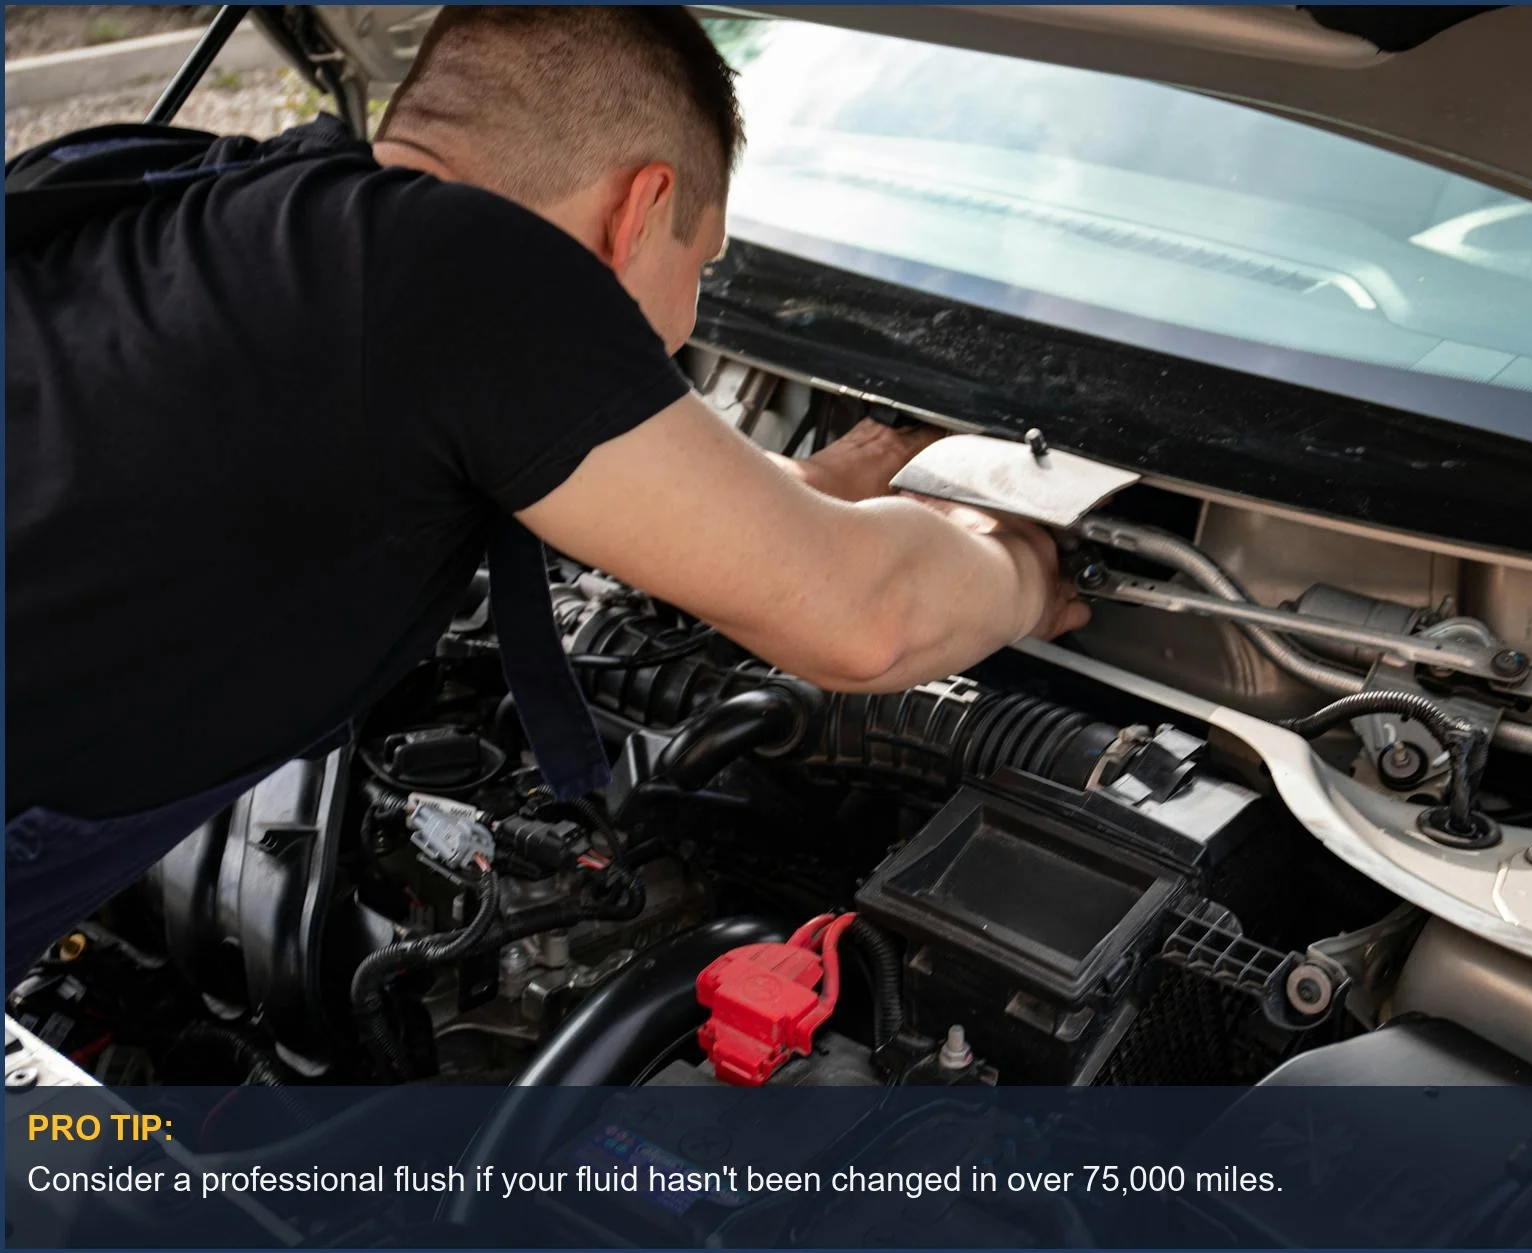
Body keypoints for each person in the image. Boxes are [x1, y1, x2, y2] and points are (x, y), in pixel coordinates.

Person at [3, 6, 1085, 982]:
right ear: (641, 203)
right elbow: (867, 623)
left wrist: (797, 487)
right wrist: (1032, 566)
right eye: (697, 264)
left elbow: (507, 428)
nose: (684, 321)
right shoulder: (478, 272)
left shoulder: (211, 199)